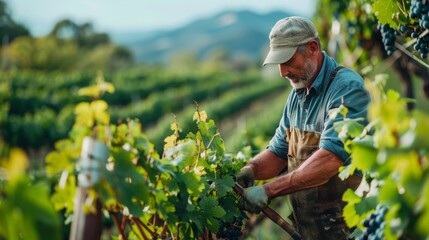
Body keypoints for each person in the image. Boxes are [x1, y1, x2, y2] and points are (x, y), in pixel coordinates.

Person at [235, 16, 370, 239]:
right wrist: (250, 170)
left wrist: (268, 190)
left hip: (350, 232)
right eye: (278, 63)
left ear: (312, 48)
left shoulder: (345, 87)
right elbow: (278, 154)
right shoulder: (296, 97)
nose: (282, 72)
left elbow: (329, 160)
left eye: (287, 60)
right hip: (311, 231)